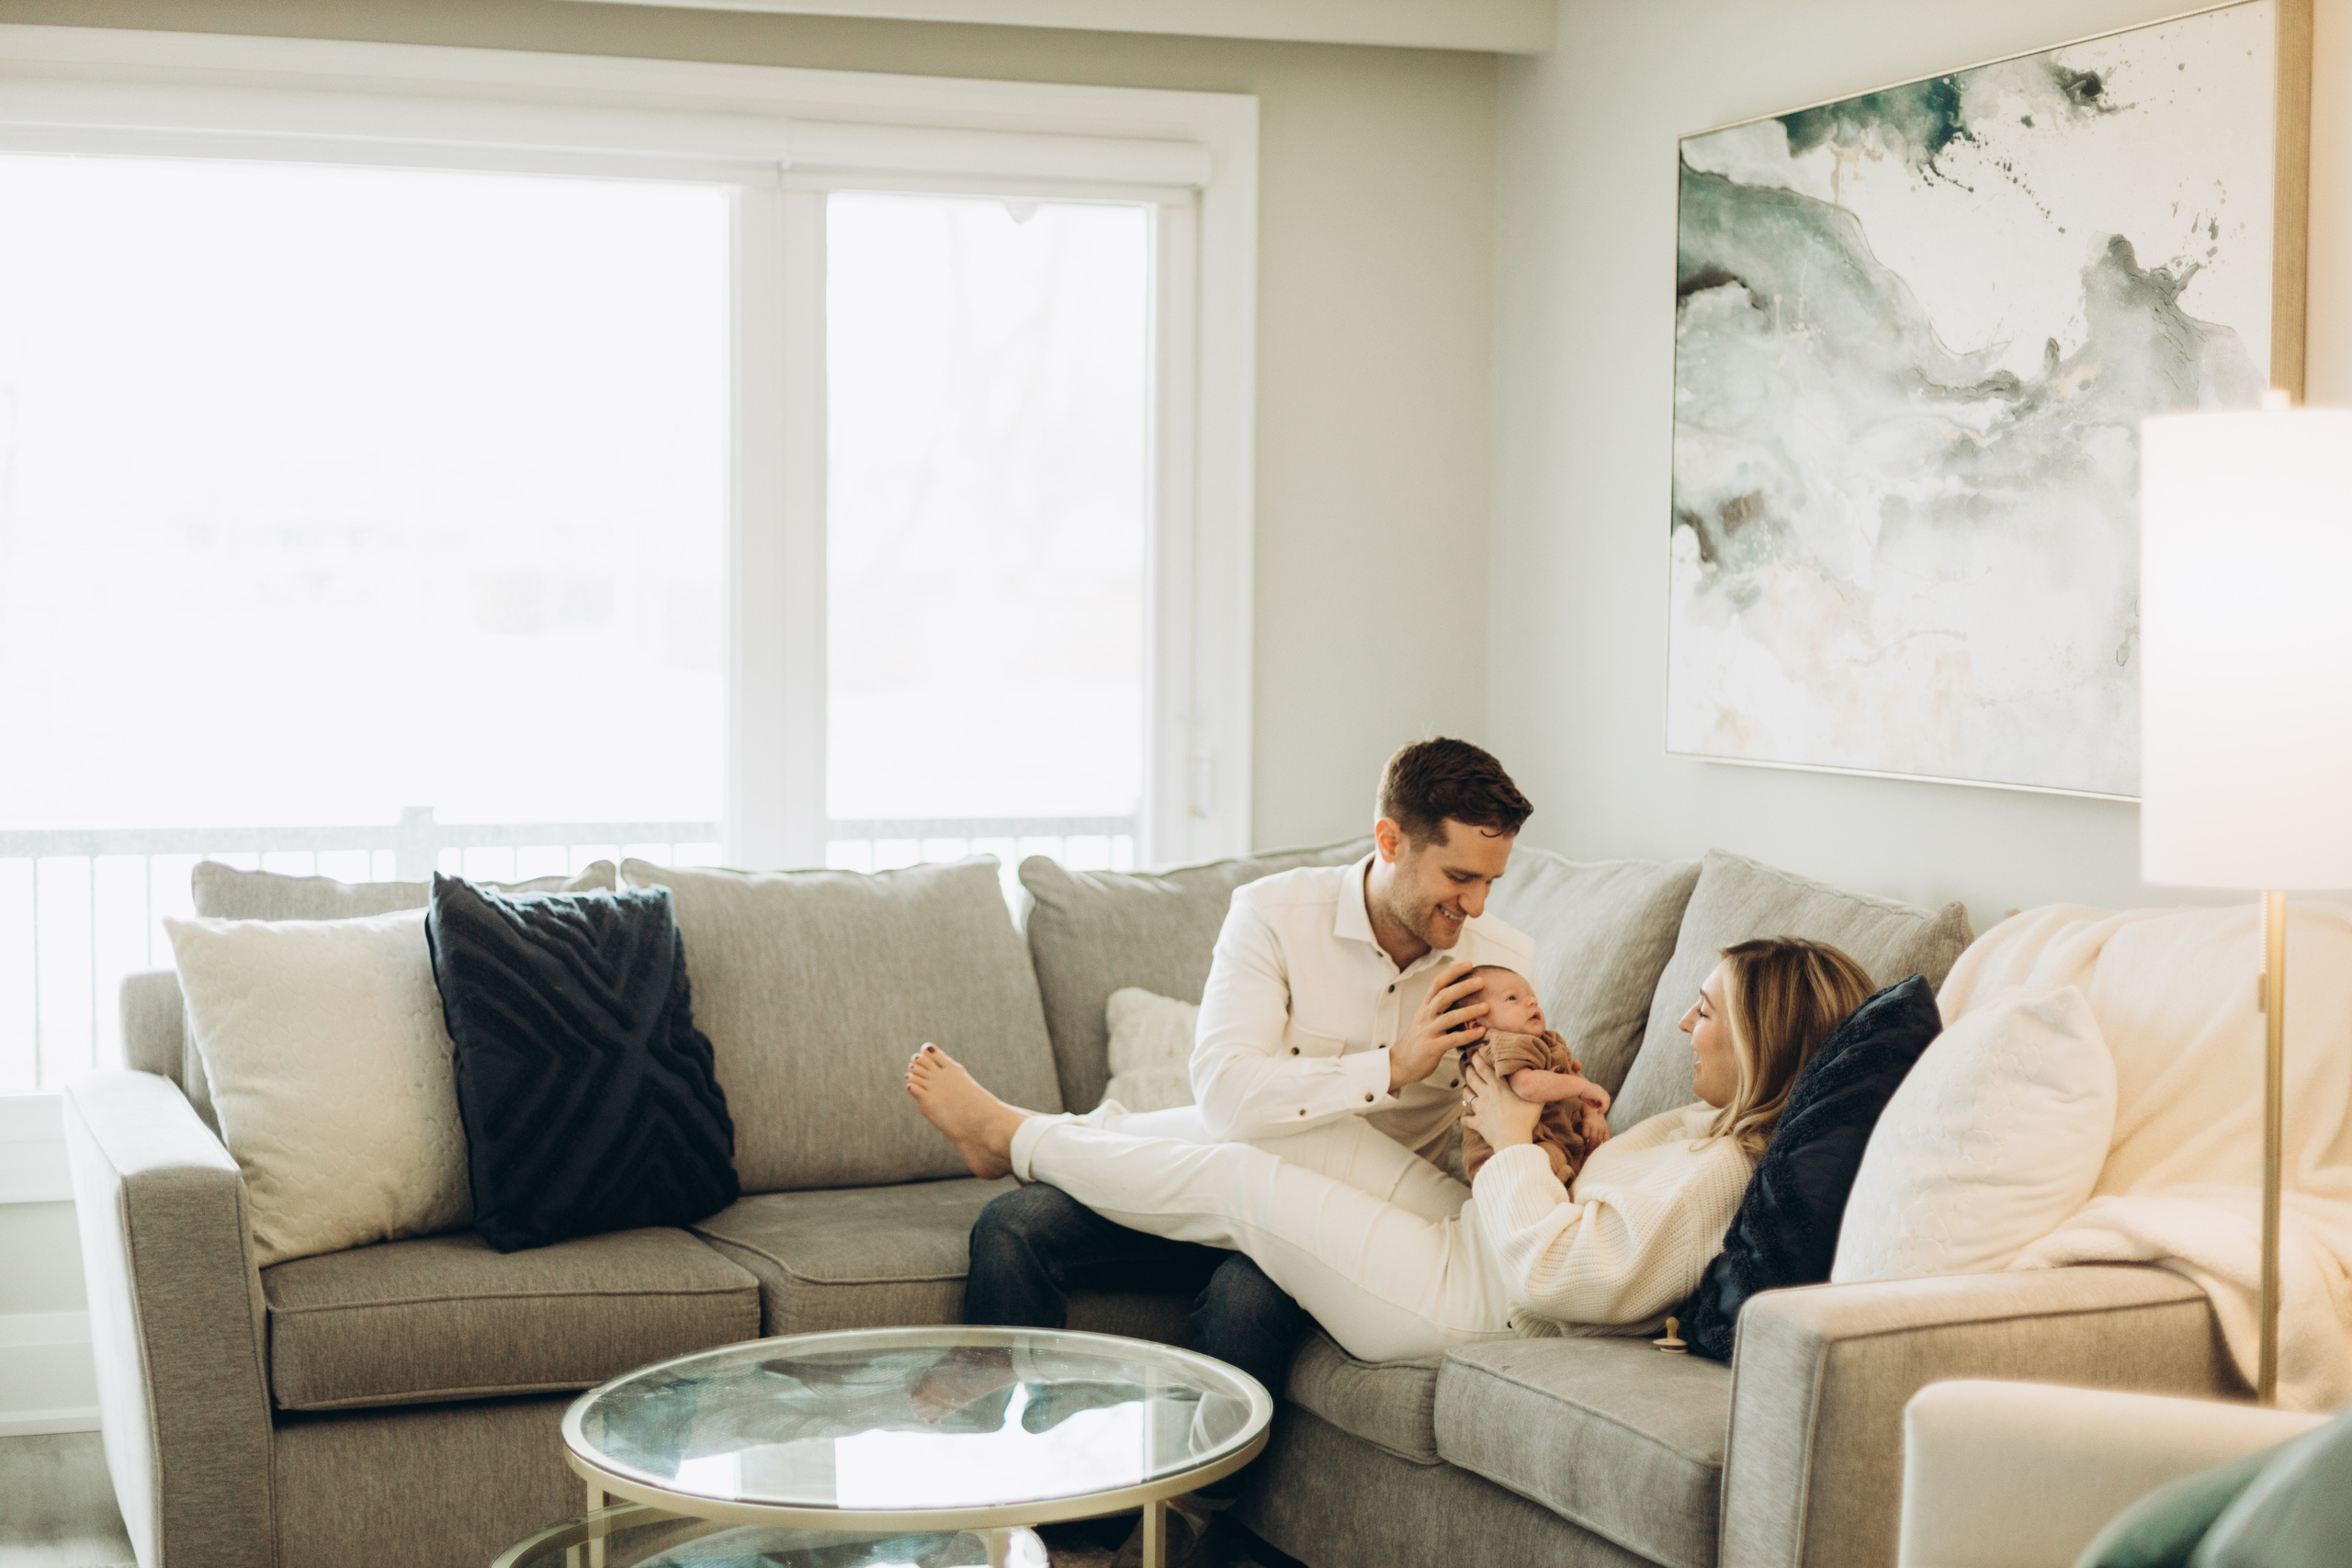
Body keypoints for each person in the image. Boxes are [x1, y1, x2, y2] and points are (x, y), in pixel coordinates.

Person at [957, 737, 1538, 1564]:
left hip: (1329, 1238)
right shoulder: (1275, 915)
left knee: (1247, 1300)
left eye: (1491, 882)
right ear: (1389, 841)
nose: (1476, 907)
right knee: (1013, 1226)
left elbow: (1507, 1125)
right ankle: (999, 1499)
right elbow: (1226, 1096)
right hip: (1210, 1181)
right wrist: (1392, 1067)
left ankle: (1138, 1537)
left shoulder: (1500, 966)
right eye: (1459, 878)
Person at [910, 936, 1872, 1366]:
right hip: (1471, 1241)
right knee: (1293, 1126)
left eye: (1707, 1011)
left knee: (1242, 1182)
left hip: (1473, 1304)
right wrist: (1580, 1148)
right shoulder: (1697, 1131)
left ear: (1761, 1037)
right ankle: (1075, 1135)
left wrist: (1508, 1149)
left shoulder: (1722, 1169)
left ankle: (1018, 1138)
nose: (1686, 1026)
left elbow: (1564, 1278)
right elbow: (1602, 1218)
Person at [1457, 965, 1611, 1185]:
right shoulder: (1501, 1043)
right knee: (1551, 1161)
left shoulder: (1547, 1041)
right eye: (1512, 998)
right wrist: (1583, 1088)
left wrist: (1591, 1113)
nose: (1532, 1002)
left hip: (1552, 1141)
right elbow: (1527, 1085)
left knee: (1583, 1158)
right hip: (1501, 1158)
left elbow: (1570, 1075)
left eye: (1532, 996)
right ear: (1477, 1024)